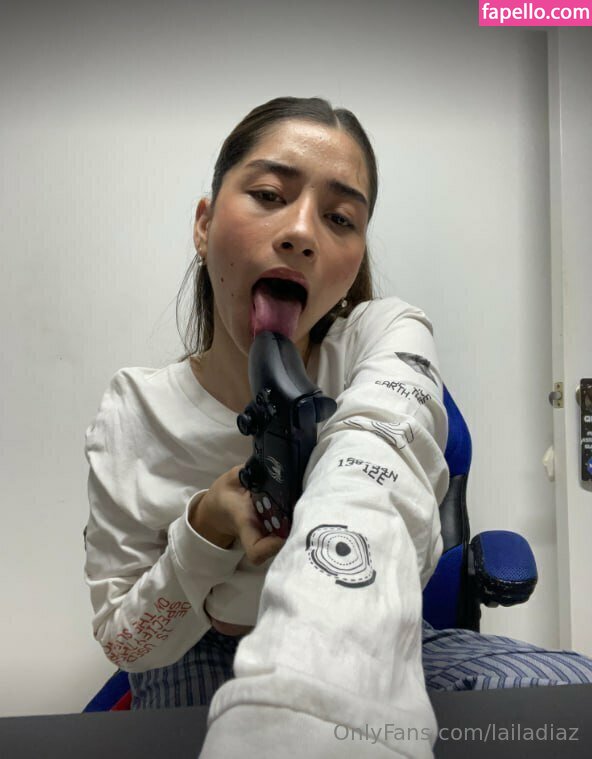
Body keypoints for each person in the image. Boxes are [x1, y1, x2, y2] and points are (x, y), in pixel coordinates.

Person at [84, 96, 592, 757]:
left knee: (569, 698)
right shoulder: (133, 410)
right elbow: (127, 643)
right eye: (269, 195)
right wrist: (205, 528)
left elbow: (375, 455)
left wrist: (320, 678)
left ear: (354, 259)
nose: (301, 232)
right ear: (204, 225)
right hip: (195, 648)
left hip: (375, 624)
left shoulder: (385, 335)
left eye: (340, 218)